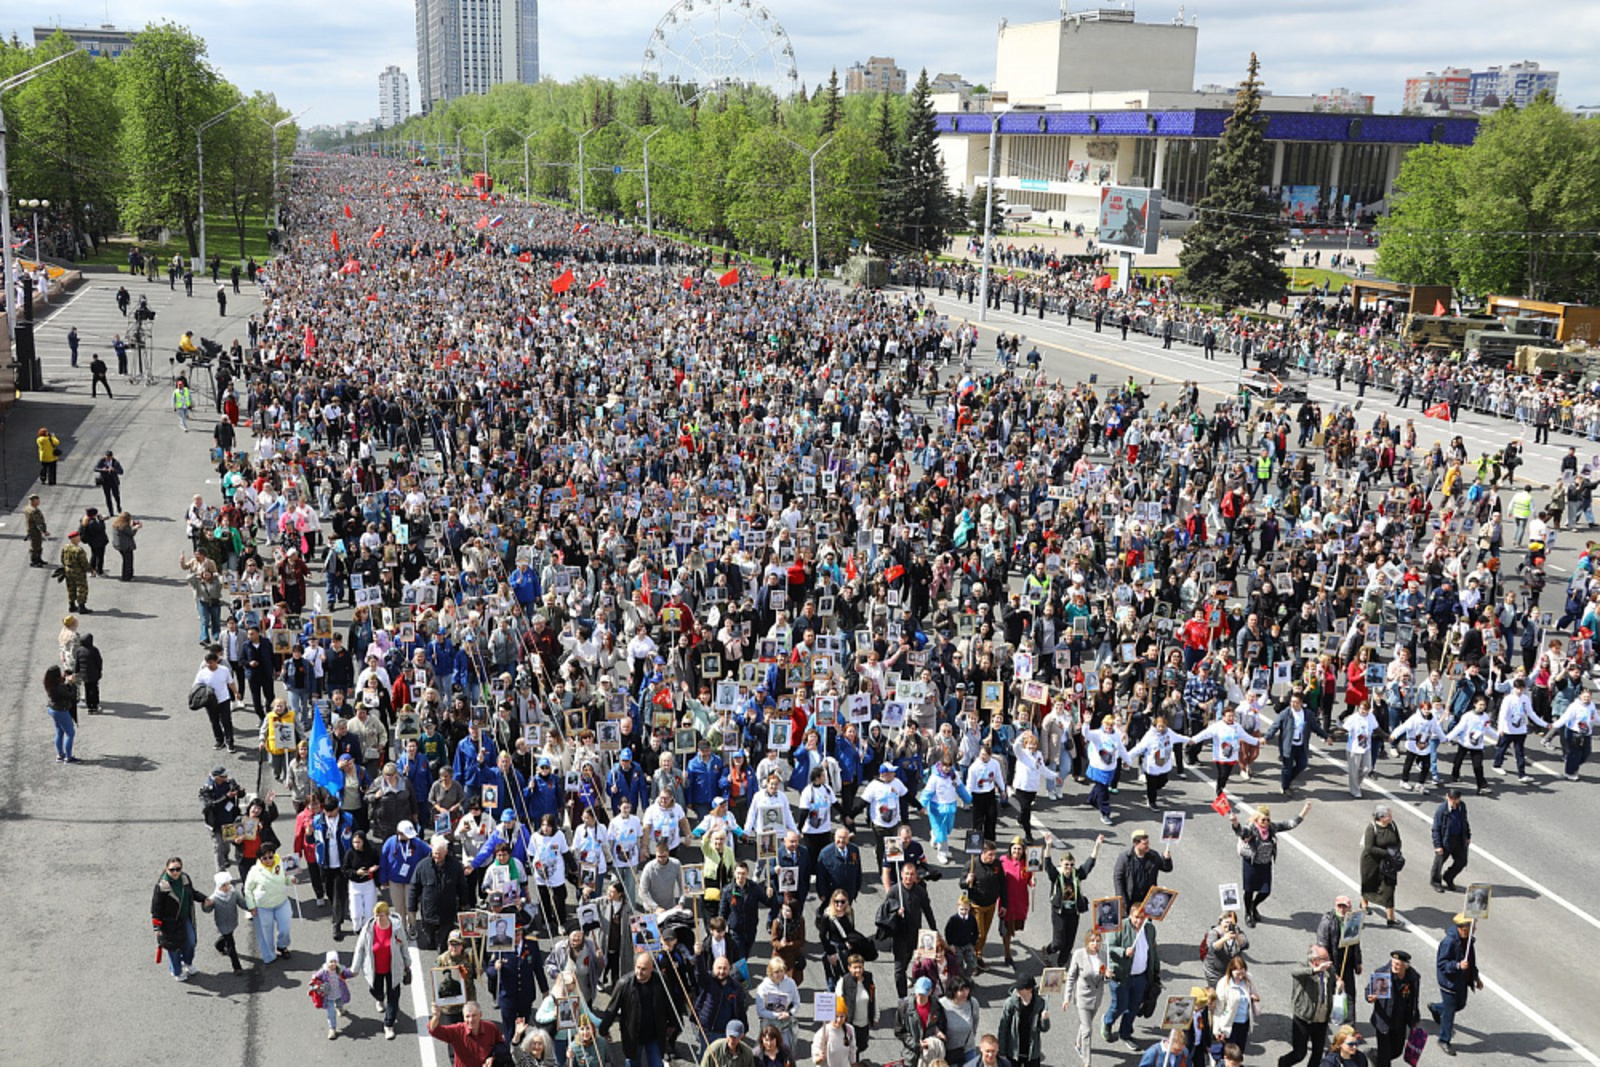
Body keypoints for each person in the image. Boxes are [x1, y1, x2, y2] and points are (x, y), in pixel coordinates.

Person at [1228, 801, 1311, 926]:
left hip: (1265, 865)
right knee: (1249, 890)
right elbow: (1241, 832)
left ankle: (1253, 906)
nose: (1266, 822)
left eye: (1268, 819)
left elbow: (1290, 824)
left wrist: (1304, 811)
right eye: (1263, 820)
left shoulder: (1271, 828)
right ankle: (1248, 913)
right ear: (1257, 819)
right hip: (1251, 864)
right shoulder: (1252, 828)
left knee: (1265, 891)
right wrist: (1235, 822)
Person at [597, 951, 677, 1067]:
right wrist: (604, 1030)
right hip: (633, 1034)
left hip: (654, 1034)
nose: (639, 972)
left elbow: (670, 1003)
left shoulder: (661, 980)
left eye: (644, 969)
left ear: (652, 969)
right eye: (638, 967)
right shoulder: (624, 984)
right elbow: (612, 1009)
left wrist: (673, 1023)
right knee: (633, 1062)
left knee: (656, 1063)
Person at [1102, 903, 1159, 1051]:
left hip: (1140, 977)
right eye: (1136, 918)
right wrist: (1123, 952)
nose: (1139, 921)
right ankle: (1107, 1021)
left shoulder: (1149, 929)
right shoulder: (1119, 927)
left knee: (1133, 1008)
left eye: (1142, 918)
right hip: (1122, 976)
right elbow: (1109, 948)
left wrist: (1155, 972)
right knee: (1119, 1006)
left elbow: (1153, 952)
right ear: (1130, 915)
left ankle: (1125, 1034)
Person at [1279, 944, 1342, 1067]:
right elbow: (1295, 972)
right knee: (1299, 1053)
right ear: (1315, 960)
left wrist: (1339, 984)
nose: (1329, 961)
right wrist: (1315, 971)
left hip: (1321, 1018)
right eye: (1325, 958)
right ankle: (1283, 1063)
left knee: (1317, 1054)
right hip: (1304, 1017)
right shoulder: (1304, 966)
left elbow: (1333, 985)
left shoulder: (1329, 969)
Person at [1044, 836, 1102, 967]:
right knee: (1059, 942)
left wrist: (1097, 845)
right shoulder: (1056, 876)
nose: (1069, 867)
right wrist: (1048, 846)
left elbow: (1090, 863)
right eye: (1066, 865)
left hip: (1073, 912)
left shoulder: (1077, 874)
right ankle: (1048, 950)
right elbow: (1047, 864)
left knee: (1069, 942)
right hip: (1059, 912)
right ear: (1061, 863)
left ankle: (1061, 964)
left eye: (1071, 865)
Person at [1427, 914, 1481, 1057]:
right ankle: (1444, 1039)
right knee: (1450, 1013)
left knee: (1460, 1005)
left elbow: (1471, 960)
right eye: (1472, 927)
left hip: (1461, 981)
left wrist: (1475, 977)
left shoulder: (1468, 941)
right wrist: (1457, 965)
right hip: (1449, 983)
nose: (1475, 929)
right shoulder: (1449, 942)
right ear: (1463, 929)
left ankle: (1436, 1008)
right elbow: (1442, 964)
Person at [243, 841, 295, 964]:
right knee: (265, 932)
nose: (268, 860)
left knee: (285, 927)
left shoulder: (282, 863)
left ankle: (282, 946)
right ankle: (269, 955)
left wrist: (291, 880)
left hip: (281, 902)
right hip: (262, 907)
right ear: (260, 859)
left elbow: (286, 878)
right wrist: (251, 906)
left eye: (270, 857)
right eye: (264, 858)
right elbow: (247, 889)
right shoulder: (254, 871)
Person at [1367, 950, 1421, 1067]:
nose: (1394, 967)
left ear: (1405, 966)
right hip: (1384, 1021)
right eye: (1393, 963)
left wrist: (1414, 1018)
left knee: (1397, 1051)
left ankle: (1377, 1056)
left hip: (1400, 1021)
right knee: (1385, 1060)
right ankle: (1381, 1059)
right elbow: (1369, 991)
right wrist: (1370, 997)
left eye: (1398, 965)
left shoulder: (1412, 978)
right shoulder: (1383, 974)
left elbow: (1414, 999)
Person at [152, 856, 201, 981]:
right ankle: (176, 971)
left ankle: (187, 962)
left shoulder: (185, 879)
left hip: (184, 918)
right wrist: (157, 927)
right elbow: (156, 909)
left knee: (191, 942)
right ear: (167, 869)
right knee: (173, 947)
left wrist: (205, 899)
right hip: (169, 923)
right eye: (172, 870)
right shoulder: (162, 887)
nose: (175, 872)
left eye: (178, 869)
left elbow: (192, 893)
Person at [1065, 928, 1109, 1060]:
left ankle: (1078, 1043)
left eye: (1098, 941)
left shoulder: (1104, 955)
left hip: (1096, 997)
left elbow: (1104, 977)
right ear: (1087, 942)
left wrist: (1107, 976)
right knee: (1087, 1030)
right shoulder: (1079, 955)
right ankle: (1087, 1060)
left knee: (1086, 1023)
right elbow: (1071, 977)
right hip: (1083, 997)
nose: (1095, 944)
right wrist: (1067, 998)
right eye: (1092, 941)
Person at [1359, 807, 1403, 926]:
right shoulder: (1371, 828)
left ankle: (1391, 918)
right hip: (1371, 861)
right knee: (1369, 883)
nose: (1391, 817)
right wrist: (1387, 853)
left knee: (1389, 888)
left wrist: (1395, 852)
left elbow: (1398, 841)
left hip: (1388, 863)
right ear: (1381, 817)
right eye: (1388, 815)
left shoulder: (1392, 825)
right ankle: (1364, 903)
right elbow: (1369, 848)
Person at [1112, 829, 1173, 913]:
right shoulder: (1125, 858)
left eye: (1148, 842)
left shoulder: (1153, 856)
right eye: (1145, 844)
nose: (1148, 846)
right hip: (1130, 899)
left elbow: (1167, 868)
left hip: (1147, 899)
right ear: (1136, 844)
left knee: (1146, 923)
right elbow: (1118, 879)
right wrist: (1121, 899)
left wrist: (1167, 859)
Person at [429, 1000, 505, 1067]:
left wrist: (493, 1058)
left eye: (474, 1015)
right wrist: (435, 1016)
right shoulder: (457, 1030)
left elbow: (500, 1045)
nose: (471, 1020)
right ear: (463, 1018)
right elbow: (434, 1030)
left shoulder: (491, 1028)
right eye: (467, 1016)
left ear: (480, 1015)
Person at [1209, 956, 1260, 1054]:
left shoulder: (1248, 978)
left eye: (1243, 972)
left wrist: (1254, 997)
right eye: (1238, 974)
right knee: (1230, 1054)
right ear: (1231, 971)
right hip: (1230, 1024)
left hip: (1244, 1023)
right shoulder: (1223, 984)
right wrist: (1217, 1030)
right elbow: (1218, 1009)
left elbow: (1255, 993)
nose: (1241, 977)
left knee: (1240, 1051)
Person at [996, 976, 1049, 1067]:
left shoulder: (1039, 1003)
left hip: (1032, 1052)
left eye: (1021, 988)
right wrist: (1002, 1052)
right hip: (1013, 1051)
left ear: (1029, 989)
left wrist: (1045, 1020)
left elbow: (1044, 1029)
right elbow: (1003, 1028)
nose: (1017, 990)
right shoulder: (1010, 1003)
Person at [895, 976, 948, 1067]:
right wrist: (916, 1044)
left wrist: (938, 1032)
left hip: (931, 1055)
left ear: (930, 991)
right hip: (912, 1056)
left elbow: (943, 1025)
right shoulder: (905, 1007)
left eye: (923, 994)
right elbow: (899, 1031)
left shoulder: (937, 1006)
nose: (920, 996)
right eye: (919, 993)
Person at [1429, 790, 1471, 893]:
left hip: (1459, 838)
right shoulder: (1441, 810)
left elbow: (1465, 821)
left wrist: (1467, 836)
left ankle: (1448, 877)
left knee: (1462, 861)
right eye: (1452, 799)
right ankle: (1435, 882)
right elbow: (1436, 829)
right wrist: (1438, 845)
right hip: (1446, 839)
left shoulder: (1462, 806)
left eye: (1456, 799)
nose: (1453, 802)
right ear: (1447, 797)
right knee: (1439, 862)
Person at [208, 869, 248, 973]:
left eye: (227, 884)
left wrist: (251, 908)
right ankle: (237, 967)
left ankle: (219, 945)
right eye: (223, 885)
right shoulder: (214, 898)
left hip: (232, 921)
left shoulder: (234, 893)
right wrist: (206, 904)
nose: (226, 888)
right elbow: (207, 909)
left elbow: (242, 903)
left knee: (226, 937)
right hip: (222, 924)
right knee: (231, 944)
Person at [310, 950, 357, 1040]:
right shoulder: (323, 972)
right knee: (331, 1012)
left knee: (340, 1003)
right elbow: (316, 977)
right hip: (328, 996)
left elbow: (347, 973)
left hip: (339, 993)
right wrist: (314, 979)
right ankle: (332, 1029)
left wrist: (353, 972)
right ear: (327, 962)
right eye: (331, 962)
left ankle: (340, 1009)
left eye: (335, 961)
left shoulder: (340, 970)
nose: (333, 964)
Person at [43, 665, 78, 763]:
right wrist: (72, 684)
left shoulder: (49, 684)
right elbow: (71, 695)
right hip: (61, 711)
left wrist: (64, 678)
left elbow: (60, 685)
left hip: (53, 709)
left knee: (59, 732)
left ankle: (60, 755)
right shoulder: (60, 688)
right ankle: (68, 757)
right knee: (70, 733)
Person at [61, 530, 90, 614]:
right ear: (75, 538)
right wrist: (90, 570)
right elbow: (84, 562)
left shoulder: (65, 547)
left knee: (71, 587)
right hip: (78, 571)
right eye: (78, 537)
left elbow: (62, 559)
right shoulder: (79, 550)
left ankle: (72, 605)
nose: (79, 538)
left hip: (68, 570)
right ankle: (82, 607)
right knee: (82, 588)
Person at [109, 512, 141, 581]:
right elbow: (131, 533)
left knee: (126, 560)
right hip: (126, 546)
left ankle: (128, 575)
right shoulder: (124, 526)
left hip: (119, 545)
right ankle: (127, 577)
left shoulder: (116, 524)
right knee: (128, 561)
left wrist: (132, 527)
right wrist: (136, 528)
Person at [25, 493, 49, 567]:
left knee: (37, 545)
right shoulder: (34, 511)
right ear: (33, 501)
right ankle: (34, 561)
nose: (39, 502)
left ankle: (38, 559)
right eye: (37, 500)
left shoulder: (28, 508)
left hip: (31, 529)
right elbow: (39, 522)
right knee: (36, 546)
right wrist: (44, 531)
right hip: (35, 530)